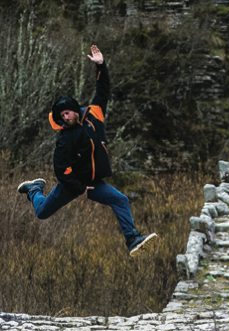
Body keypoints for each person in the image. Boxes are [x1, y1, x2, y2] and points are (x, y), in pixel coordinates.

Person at [15, 45, 157, 257]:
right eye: (61, 115)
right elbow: (61, 169)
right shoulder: (65, 138)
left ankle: (132, 239)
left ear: (75, 109)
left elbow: (103, 90)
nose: (65, 117)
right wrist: (79, 188)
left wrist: (100, 65)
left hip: (93, 182)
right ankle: (34, 189)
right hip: (73, 184)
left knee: (120, 200)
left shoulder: (94, 115)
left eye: (67, 112)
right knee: (42, 213)